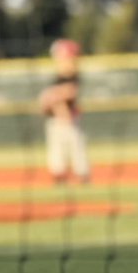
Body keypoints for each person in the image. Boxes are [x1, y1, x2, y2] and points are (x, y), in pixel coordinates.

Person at [37, 37, 89, 183]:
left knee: (76, 145)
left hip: (70, 118)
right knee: (56, 148)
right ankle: (58, 174)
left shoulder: (73, 75)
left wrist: (50, 95)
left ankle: (82, 174)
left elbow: (70, 91)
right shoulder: (58, 76)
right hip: (54, 119)